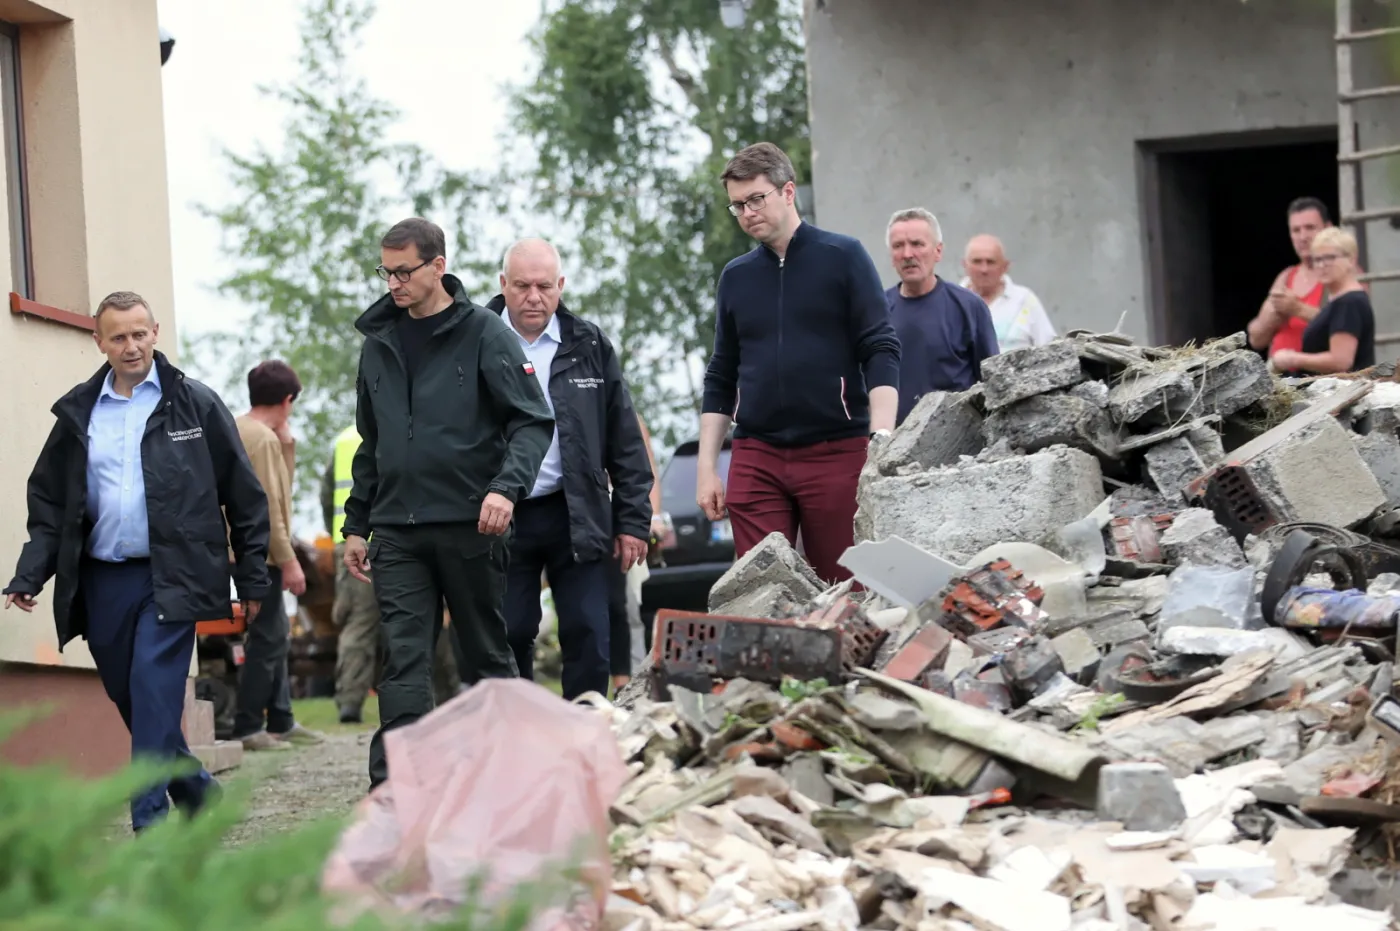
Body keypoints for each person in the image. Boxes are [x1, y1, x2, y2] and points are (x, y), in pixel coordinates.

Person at [3, 290, 270, 831]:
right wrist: (30, 572)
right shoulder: (79, 413)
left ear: (156, 333)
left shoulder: (195, 404)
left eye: (139, 334)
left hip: (173, 575)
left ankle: (148, 821)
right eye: (118, 336)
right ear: (99, 342)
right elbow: (52, 505)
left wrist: (253, 576)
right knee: (134, 701)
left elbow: (243, 496)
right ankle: (197, 789)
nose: (131, 346)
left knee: (152, 689)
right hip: (103, 579)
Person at [342, 218, 555, 789]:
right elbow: (372, 443)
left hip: (472, 525)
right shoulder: (378, 343)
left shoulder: (485, 333)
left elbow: (532, 422)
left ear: (438, 266)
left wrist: (505, 489)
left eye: (404, 270)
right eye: (385, 271)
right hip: (398, 530)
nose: (393, 283)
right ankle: (394, 791)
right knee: (404, 662)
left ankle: (511, 779)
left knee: (486, 656)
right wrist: (356, 525)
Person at [698, 142, 900, 585]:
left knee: (844, 586)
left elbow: (880, 348)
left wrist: (881, 437)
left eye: (756, 199)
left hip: (837, 450)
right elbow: (721, 373)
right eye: (737, 205)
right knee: (761, 587)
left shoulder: (844, 257)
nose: (747, 212)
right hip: (756, 454)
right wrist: (707, 467)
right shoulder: (736, 277)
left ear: (788, 192)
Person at [487, 238, 653, 701]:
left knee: (588, 632)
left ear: (560, 286)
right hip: (501, 514)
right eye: (521, 286)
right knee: (510, 632)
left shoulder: (589, 343)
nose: (533, 297)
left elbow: (624, 437)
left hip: (576, 509)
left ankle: (583, 734)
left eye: (544, 286)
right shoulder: (475, 341)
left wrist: (634, 521)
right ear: (503, 285)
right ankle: (520, 734)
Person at [321, 427, 463, 725]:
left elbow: (326, 495)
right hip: (402, 534)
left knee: (359, 624)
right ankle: (448, 696)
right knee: (424, 616)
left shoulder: (344, 440)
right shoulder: (412, 424)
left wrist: (343, 535)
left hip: (352, 540)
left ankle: (349, 701)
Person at [230, 361, 323, 750]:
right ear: (287, 401)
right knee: (268, 638)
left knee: (276, 635)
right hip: (259, 553)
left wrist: (287, 442)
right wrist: (289, 561)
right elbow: (272, 506)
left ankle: (282, 718)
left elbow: (278, 490)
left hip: (240, 548)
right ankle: (250, 726)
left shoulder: (241, 428)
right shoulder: (261, 440)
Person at [886, 208, 999, 425]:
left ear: (938, 251)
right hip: (892, 446)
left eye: (917, 244)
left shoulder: (969, 308)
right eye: (898, 246)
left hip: (956, 446)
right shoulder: (876, 312)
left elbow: (991, 382)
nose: (908, 254)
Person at [608, 412, 664, 692]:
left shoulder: (630, 416)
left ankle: (631, 683)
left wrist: (650, 519)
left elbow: (646, 470)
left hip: (621, 516)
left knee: (626, 606)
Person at [1270, 226, 1375, 376]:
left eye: (1330, 257)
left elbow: (1341, 361)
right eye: (1317, 259)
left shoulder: (1349, 302)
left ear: (1351, 259)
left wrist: (1292, 359)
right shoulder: (1340, 300)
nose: (1322, 265)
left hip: (1342, 392)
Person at [1246, 197, 1335, 362]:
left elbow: (1347, 328)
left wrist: (1297, 309)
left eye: (1310, 228)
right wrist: (1268, 322)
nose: (1303, 237)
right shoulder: (1286, 276)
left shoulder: (1341, 273)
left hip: (1322, 380)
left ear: (1328, 228)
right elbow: (1256, 340)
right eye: (1296, 230)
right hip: (1281, 380)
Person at [959, 234, 1056, 352]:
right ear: (964, 265)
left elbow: (1051, 349)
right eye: (977, 261)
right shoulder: (950, 301)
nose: (984, 269)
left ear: (1005, 266)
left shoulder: (1025, 301)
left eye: (990, 262)